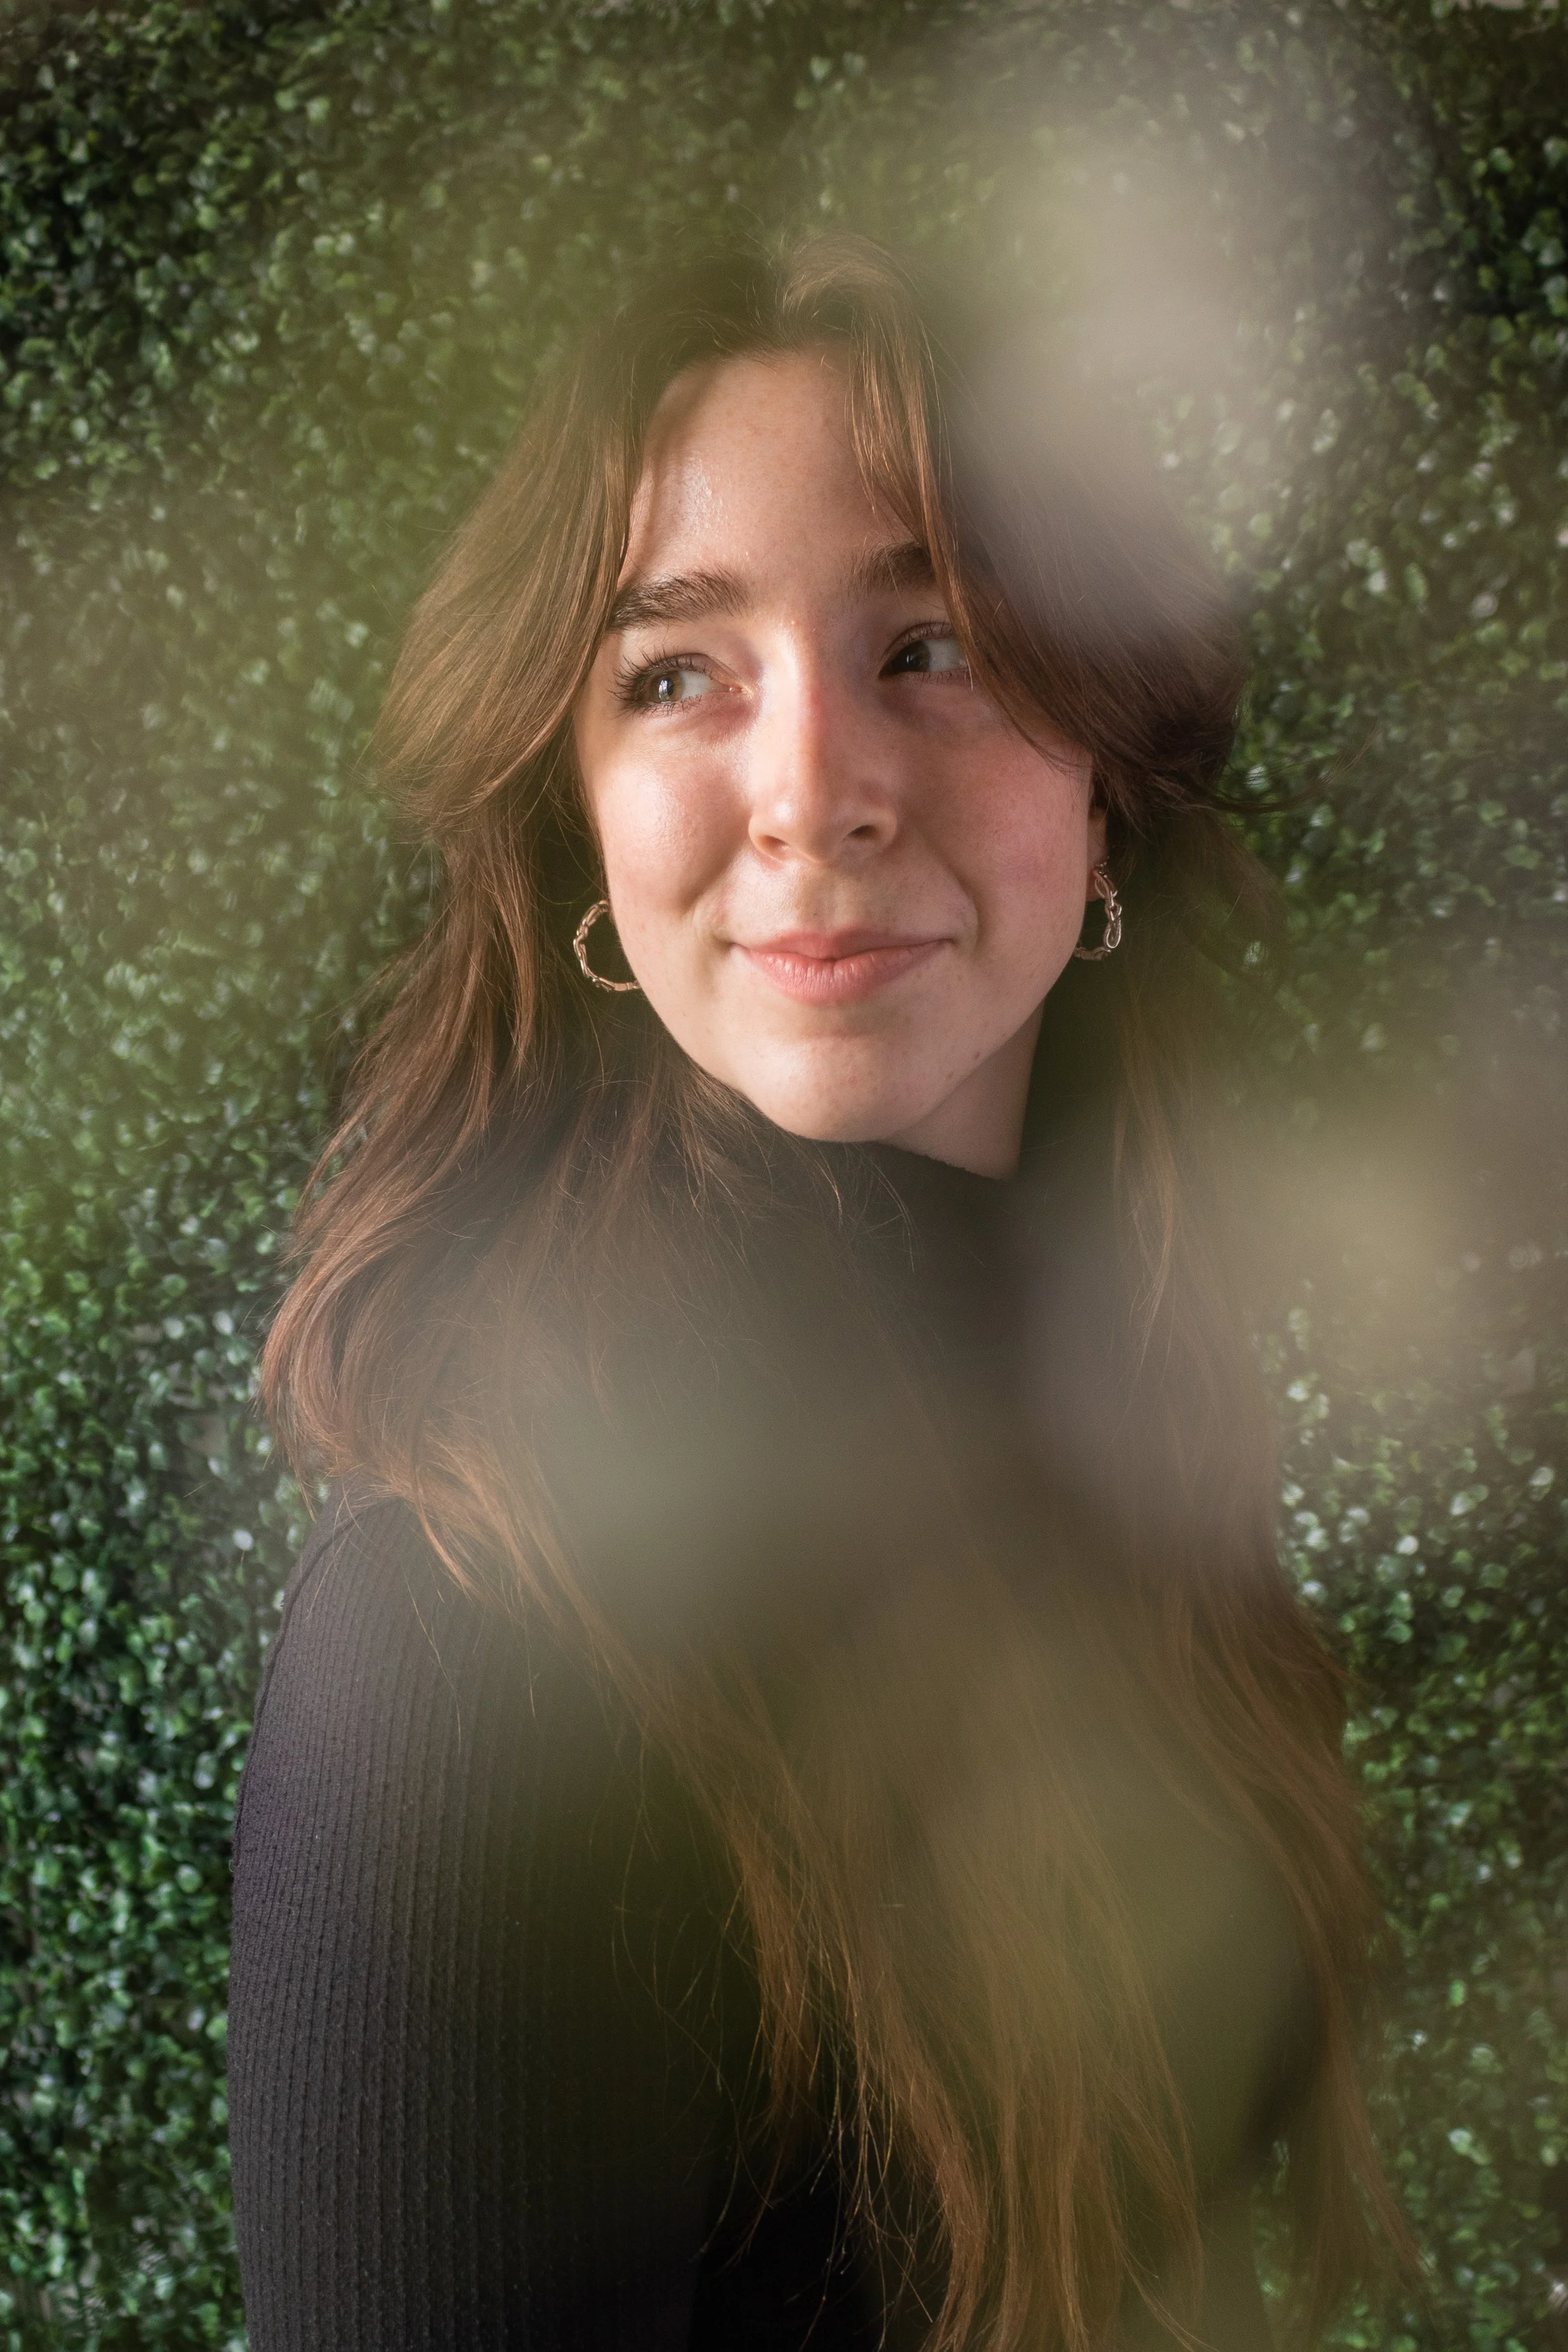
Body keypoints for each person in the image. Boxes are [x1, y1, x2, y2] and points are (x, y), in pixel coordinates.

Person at [228, 234, 1404, 2351]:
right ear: (577, 821)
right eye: (674, 671)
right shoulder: (469, 1660)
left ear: (1106, 765)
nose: (808, 792)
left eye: (930, 642)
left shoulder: (1138, 1507)